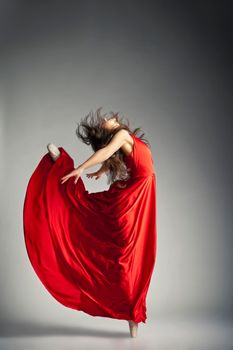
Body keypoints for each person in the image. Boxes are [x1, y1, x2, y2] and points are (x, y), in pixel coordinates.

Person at [23, 107, 157, 338]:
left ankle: (132, 313)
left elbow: (112, 156)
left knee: (132, 257)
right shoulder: (122, 136)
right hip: (133, 199)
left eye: (107, 118)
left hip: (139, 196)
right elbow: (106, 152)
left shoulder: (126, 139)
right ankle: (61, 163)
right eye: (105, 121)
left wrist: (100, 170)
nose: (107, 118)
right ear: (109, 132)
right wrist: (83, 168)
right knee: (122, 255)